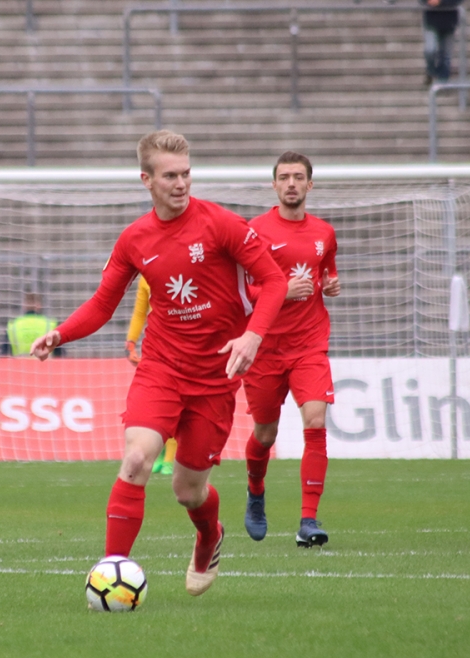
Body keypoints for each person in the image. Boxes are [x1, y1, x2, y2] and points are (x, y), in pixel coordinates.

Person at [30, 130, 288, 596]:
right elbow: (103, 304)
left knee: (188, 492)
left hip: (215, 379)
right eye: (170, 175)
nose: (182, 183)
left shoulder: (222, 224)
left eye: (187, 173)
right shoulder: (134, 239)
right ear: (146, 179)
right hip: (161, 370)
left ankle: (210, 533)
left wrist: (253, 335)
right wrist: (61, 333)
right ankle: (112, 573)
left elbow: (274, 281)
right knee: (135, 460)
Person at [241, 151, 341, 549]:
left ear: (310, 185)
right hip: (264, 347)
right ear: (274, 185)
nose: (291, 184)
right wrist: (280, 291)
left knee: (315, 422)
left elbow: (327, 273)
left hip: (309, 345)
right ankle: (255, 492)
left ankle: (308, 520)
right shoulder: (256, 231)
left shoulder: (324, 233)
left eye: (299, 177)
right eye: (284, 177)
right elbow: (245, 291)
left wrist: (331, 284)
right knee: (264, 434)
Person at [125, 275, 177, 475]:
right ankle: (161, 455)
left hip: (181, 348)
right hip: (156, 349)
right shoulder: (146, 277)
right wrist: (131, 342)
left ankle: (170, 460)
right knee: (158, 405)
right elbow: (140, 313)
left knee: (174, 404)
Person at [3, 292, 63, 357]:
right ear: (39, 306)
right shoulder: (51, 324)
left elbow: (4, 353)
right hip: (45, 364)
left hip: (20, 365)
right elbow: (59, 354)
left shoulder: (13, 325)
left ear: (24, 305)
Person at [421, 0, 463, 86]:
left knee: (445, 56)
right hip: (432, 20)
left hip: (449, 21)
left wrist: (441, 2)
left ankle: (443, 82)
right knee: (430, 50)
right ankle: (431, 71)